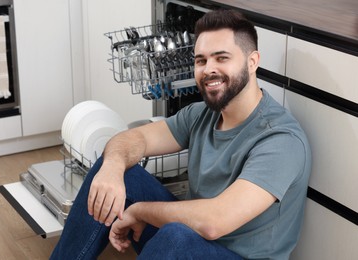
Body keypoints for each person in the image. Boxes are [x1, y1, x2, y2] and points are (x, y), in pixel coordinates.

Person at [50, 9, 311, 260]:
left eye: (222, 58)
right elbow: (132, 139)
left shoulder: (280, 139)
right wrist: (112, 168)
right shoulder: (200, 115)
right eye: (201, 60)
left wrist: (140, 211)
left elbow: (213, 223)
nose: (208, 69)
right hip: (194, 242)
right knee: (115, 170)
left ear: (252, 61)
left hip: (229, 252)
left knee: (177, 237)